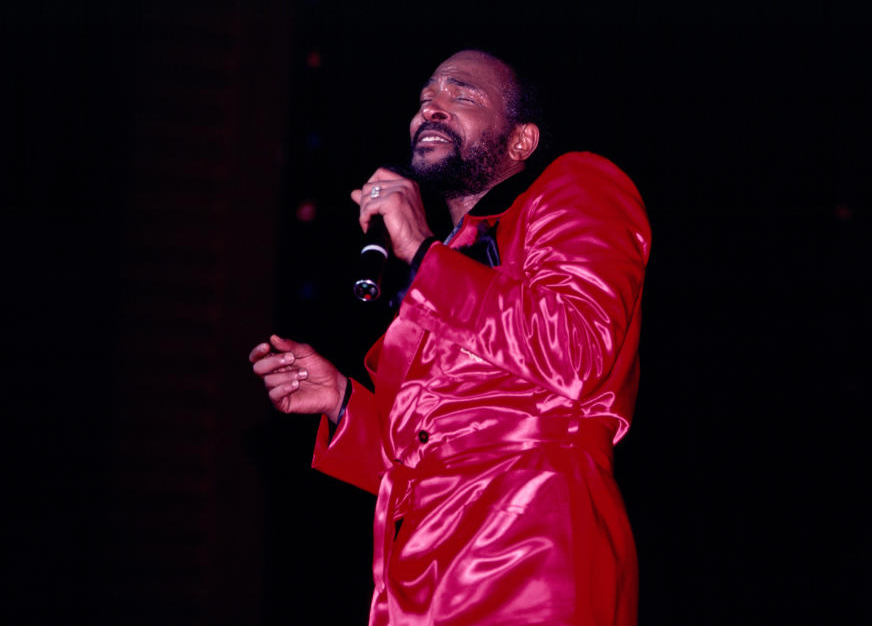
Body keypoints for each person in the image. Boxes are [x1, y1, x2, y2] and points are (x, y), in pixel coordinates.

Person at [250, 49, 651, 625]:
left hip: (532, 556)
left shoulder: (577, 185)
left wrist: (420, 249)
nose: (431, 109)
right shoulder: (444, 270)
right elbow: (424, 454)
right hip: (420, 580)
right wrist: (342, 403)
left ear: (521, 142)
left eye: (461, 96)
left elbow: (577, 351)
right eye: (424, 101)